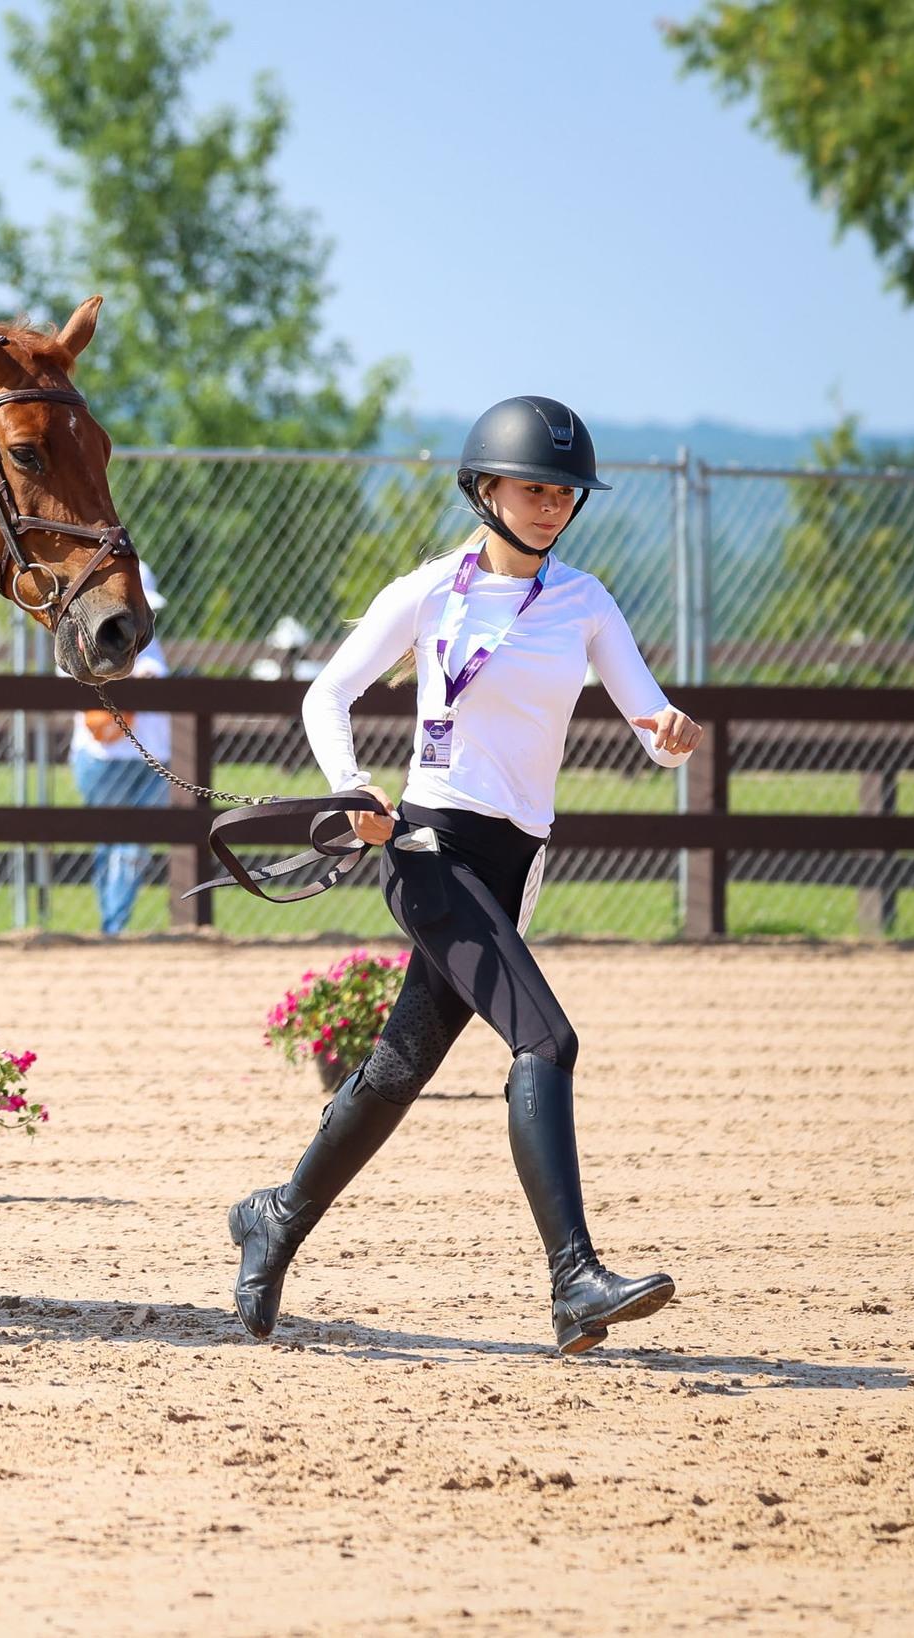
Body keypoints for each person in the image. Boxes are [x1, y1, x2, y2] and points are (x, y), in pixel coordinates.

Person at [227, 396, 706, 1354]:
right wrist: (351, 787)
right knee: (548, 1042)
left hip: (515, 860)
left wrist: (669, 735)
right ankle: (574, 1281)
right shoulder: (430, 592)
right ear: (484, 488)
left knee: (398, 1070)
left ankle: (275, 1214)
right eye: (536, 488)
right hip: (429, 848)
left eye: (567, 492)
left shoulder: (583, 601)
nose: (554, 506)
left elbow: (649, 717)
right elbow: (328, 691)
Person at [69, 566, 171, 936]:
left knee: (129, 847)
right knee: (115, 845)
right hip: (107, 760)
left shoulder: (148, 639)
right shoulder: (88, 635)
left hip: (151, 758)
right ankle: (112, 926)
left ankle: (112, 925)